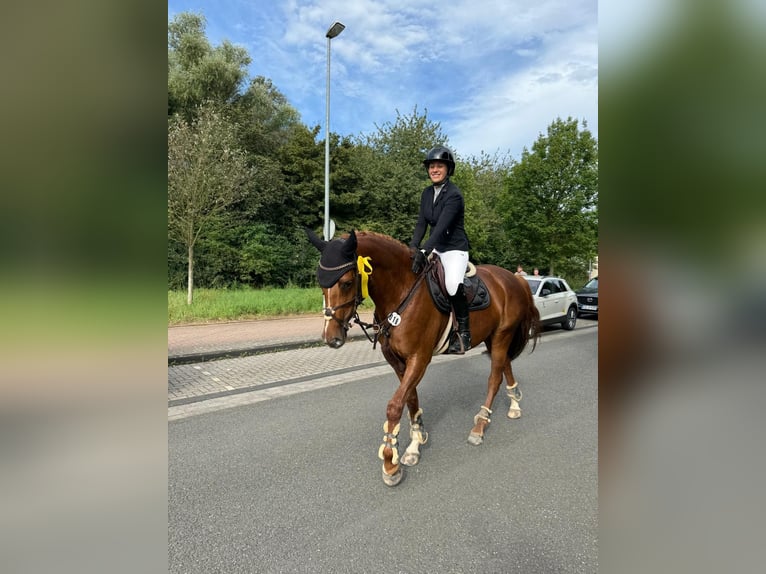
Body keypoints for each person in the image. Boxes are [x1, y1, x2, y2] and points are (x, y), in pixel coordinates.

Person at [409, 145, 472, 354]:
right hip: (436, 248)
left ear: (448, 170)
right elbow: (421, 224)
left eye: (439, 166)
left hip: (454, 249)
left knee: (453, 285)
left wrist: (425, 251)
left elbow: (441, 227)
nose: (434, 170)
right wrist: (412, 248)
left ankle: (464, 332)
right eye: (431, 166)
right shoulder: (426, 193)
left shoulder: (454, 195)